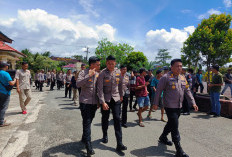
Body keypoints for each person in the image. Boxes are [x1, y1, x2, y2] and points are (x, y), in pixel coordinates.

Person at [153, 59, 198, 157]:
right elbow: (158, 91)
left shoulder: (182, 78)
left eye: (181, 66)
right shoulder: (165, 77)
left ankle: (163, 137)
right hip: (169, 106)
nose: (179, 68)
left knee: (171, 123)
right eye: (177, 66)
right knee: (175, 126)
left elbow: (187, 91)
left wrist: (193, 103)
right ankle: (179, 150)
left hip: (179, 106)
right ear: (172, 67)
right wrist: (155, 103)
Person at [97, 55, 127, 152]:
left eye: (112, 64)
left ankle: (119, 143)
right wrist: (102, 102)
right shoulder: (102, 73)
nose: (111, 65)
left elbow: (121, 85)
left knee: (117, 119)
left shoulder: (118, 72)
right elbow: (100, 89)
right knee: (105, 118)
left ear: (115, 63)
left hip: (116, 99)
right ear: (106, 63)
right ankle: (105, 135)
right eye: (109, 64)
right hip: (106, 100)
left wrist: (121, 95)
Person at [77, 56, 100, 156]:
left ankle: (84, 137)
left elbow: (99, 90)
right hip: (85, 102)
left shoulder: (98, 74)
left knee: (89, 121)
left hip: (94, 103)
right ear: (91, 64)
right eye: (97, 64)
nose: (99, 66)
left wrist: (99, 101)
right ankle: (88, 146)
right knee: (87, 122)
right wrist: (89, 76)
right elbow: (78, 84)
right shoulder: (83, 73)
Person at [0, 61, 16, 127]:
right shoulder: (5, 74)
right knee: (3, 107)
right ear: (6, 66)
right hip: (5, 92)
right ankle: (1, 122)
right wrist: (15, 79)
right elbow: (11, 83)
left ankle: (1, 120)